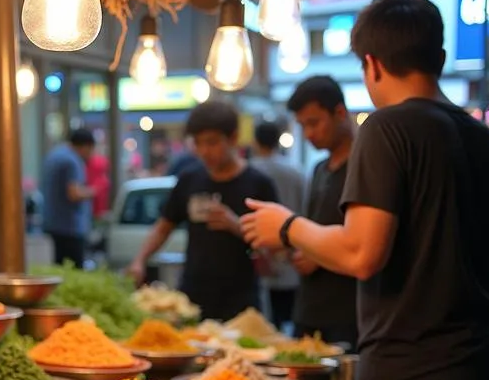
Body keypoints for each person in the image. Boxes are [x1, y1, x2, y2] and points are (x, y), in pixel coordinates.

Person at [241, 0, 489, 380]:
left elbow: (362, 253)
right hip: (481, 368)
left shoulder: (387, 128)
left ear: (371, 64)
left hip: (410, 376)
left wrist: (287, 226)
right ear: (440, 58)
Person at [127, 101, 278, 321]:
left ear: (233, 138)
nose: (204, 151)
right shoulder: (189, 179)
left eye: (212, 142)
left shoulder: (258, 184)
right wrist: (139, 260)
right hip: (192, 297)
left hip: (241, 301)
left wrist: (235, 225)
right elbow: (164, 226)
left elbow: (274, 250)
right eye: (197, 143)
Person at [284, 76, 359, 348]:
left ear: (340, 113)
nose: (308, 134)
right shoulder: (318, 169)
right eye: (303, 126)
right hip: (308, 309)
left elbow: (363, 243)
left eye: (314, 123)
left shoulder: (364, 166)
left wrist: (318, 253)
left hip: (348, 313)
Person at [249, 120, 304, 330]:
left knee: (265, 324)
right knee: (289, 319)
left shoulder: (252, 170)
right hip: (293, 250)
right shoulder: (295, 171)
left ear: (256, 141)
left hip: (262, 253)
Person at [42, 128, 96, 267]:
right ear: (85, 146)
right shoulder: (72, 161)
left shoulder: (55, 155)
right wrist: (92, 192)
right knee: (74, 271)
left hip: (52, 223)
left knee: (58, 268)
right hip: (71, 227)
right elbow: (74, 193)